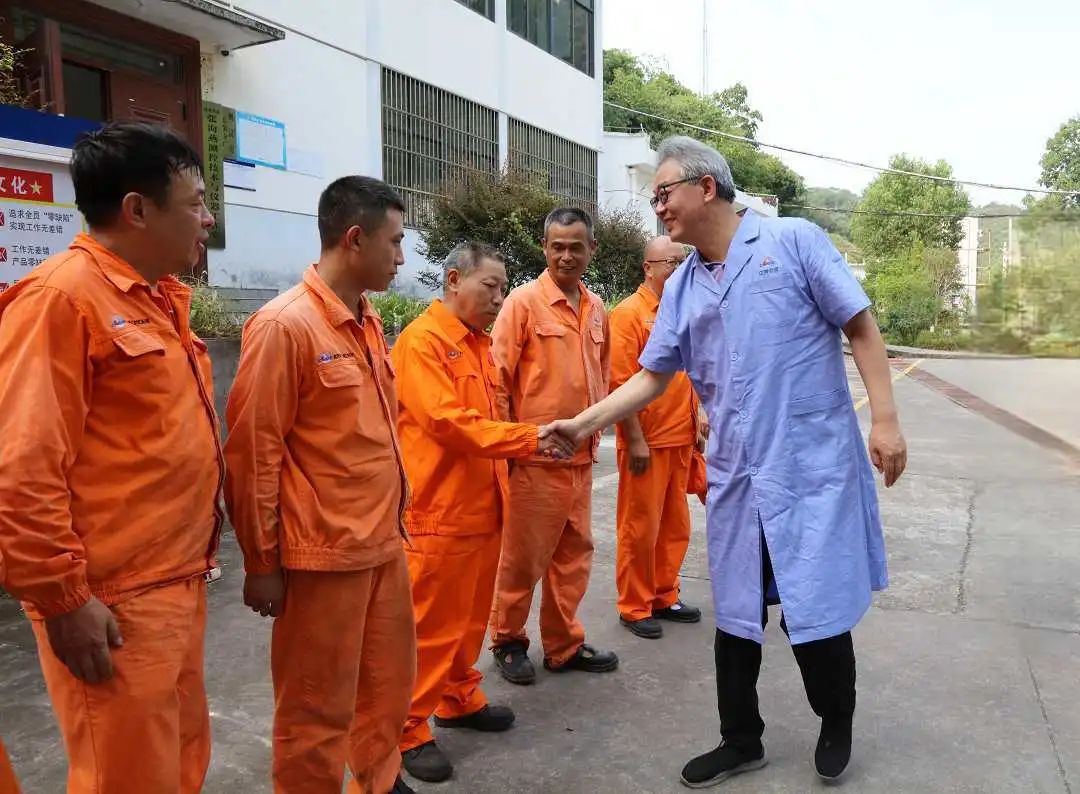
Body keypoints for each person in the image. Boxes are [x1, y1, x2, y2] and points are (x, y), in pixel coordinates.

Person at [543, 136, 907, 787]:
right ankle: (740, 739)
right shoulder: (684, 284)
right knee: (736, 614)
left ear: (706, 187)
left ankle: (836, 719)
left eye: (663, 193)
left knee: (813, 605)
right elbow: (652, 375)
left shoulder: (792, 242)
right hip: (737, 473)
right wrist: (584, 424)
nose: (658, 206)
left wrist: (884, 419)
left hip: (808, 468)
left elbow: (860, 326)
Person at [0, 122, 222, 793]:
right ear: (137, 210)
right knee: (125, 776)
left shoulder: (155, 299)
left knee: (177, 763)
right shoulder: (61, 300)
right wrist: (63, 600)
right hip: (111, 602)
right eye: (196, 203)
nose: (208, 220)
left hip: (173, 584)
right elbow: (22, 467)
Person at [224, 176, 416, 794]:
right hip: (323, 555)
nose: (402, 257)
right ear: (354, 238)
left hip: (381, 542)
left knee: (385, 686)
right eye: (395, 241)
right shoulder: (285, 326)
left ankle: (378, 779)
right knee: (316, 708)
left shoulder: (366, 321)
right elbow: (253, 454)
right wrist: (262, 562)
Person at [391, 242, 575, 783]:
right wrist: (531, 438)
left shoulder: (478, 344)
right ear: (454, 280)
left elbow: (490, 414)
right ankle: (406, 729)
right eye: (489, 287)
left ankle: (457, 697)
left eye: (503, 288)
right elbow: (449, 423)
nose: (499, 298)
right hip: (438, 513)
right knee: (430, 628)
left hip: (481, 508)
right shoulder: (423, 343)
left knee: (470, 620)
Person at [488, 207, 619, 684]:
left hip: (581, 459)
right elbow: (497, 382)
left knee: (573, 556)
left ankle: (564, 645)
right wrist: (508, 451)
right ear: (544, 248)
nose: (566, 256)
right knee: (523, 559)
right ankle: (507, 639)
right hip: (535, 461)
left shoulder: (596, 308)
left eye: (575, 247)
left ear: (591, 250)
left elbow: (603, 375)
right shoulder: (523, 304)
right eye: (557, 246)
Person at [609, 236, 705, 640]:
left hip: (680, 439)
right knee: (640, 529)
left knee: (674, 526)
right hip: (646, 443)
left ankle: (665, 594)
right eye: (672, 262)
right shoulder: (628, 315)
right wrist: (634, 439)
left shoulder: (681, 310)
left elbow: (692, 371)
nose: (680, 269)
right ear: (648, 268)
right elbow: (619, 383)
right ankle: (634, 605)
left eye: (684, 262)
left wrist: (699, 417)